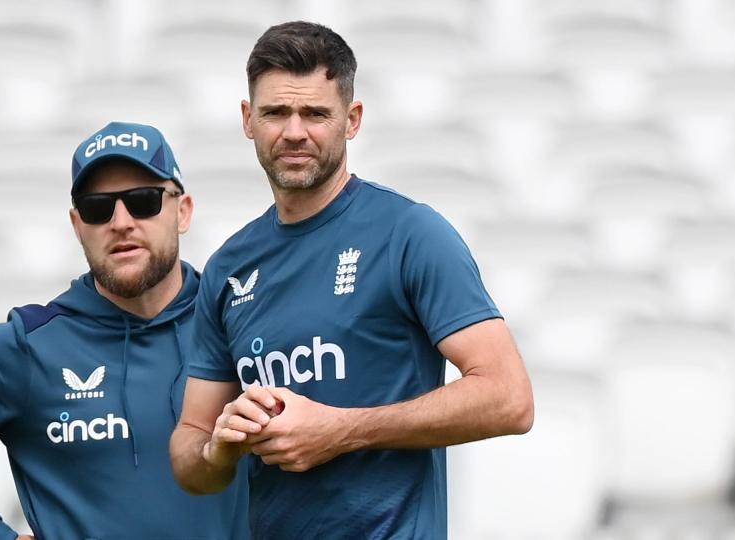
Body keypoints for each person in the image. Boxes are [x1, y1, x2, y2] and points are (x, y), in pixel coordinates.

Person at [169, 21, 534, 539]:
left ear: (352, 119)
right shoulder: (229, 267)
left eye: (315, 113)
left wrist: (340, 431)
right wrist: (220, 449)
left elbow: (509, 398)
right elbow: (190, 451)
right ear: (248, 120)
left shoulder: (410, 232)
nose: (294, 131)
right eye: (276, 112)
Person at [0, 121, 249, 539]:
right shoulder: (31, 344)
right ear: (76, 224)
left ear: (183, 211)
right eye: (97, 208)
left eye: (143, 200)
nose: (121, 222)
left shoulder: (241, 322)